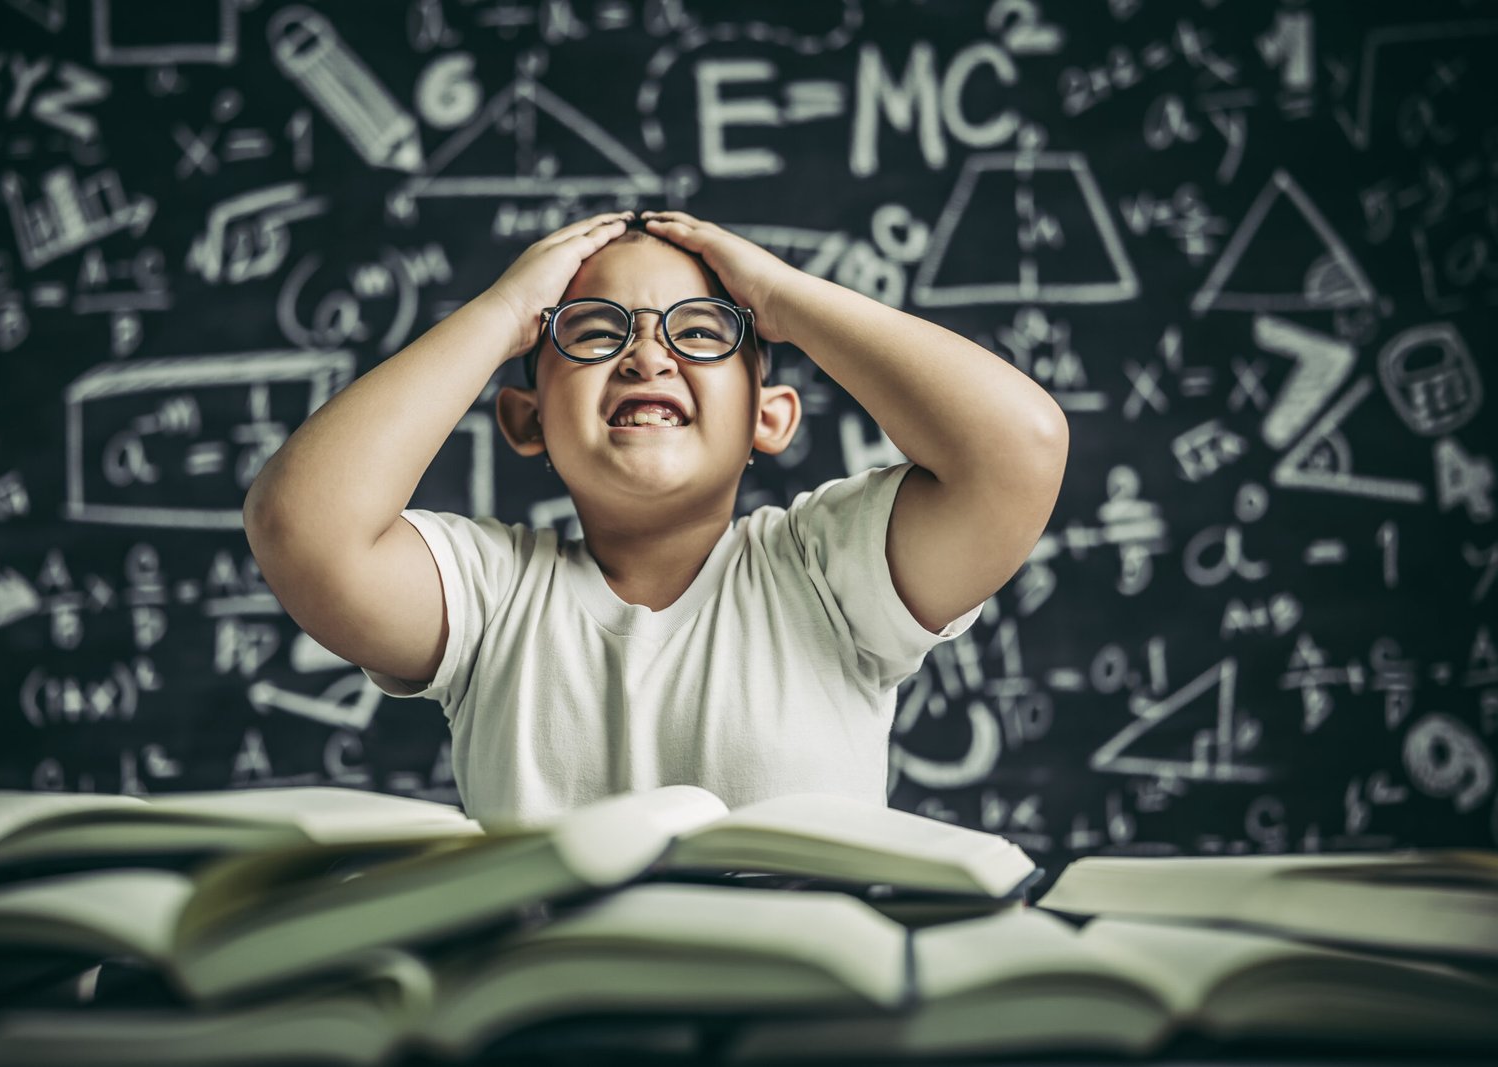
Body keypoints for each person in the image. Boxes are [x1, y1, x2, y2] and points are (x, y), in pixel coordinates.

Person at [242, 209, 1068, 828]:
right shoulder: (493, 597)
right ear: (527, 420)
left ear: (768, 419)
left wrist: (782, 297)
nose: (646, 354)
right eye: (593, 332)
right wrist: (503, 312)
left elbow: (1017, 452)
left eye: (702, 331)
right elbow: (300, 525)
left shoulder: (827, 572)